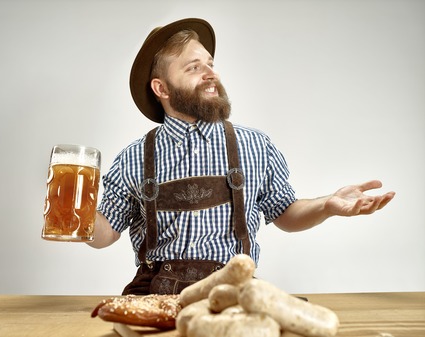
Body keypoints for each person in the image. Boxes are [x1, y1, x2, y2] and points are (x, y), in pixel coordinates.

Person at [88, 18, 395, 295]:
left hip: (233, 293)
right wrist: (73, 215)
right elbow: (105, 234)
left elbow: (285, 213)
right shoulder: (133, 158)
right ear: (161, 88)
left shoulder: (255, 145)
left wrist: (326, 205)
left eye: (210, 63)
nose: (211, 74)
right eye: (193, 67)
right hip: (154, 295)